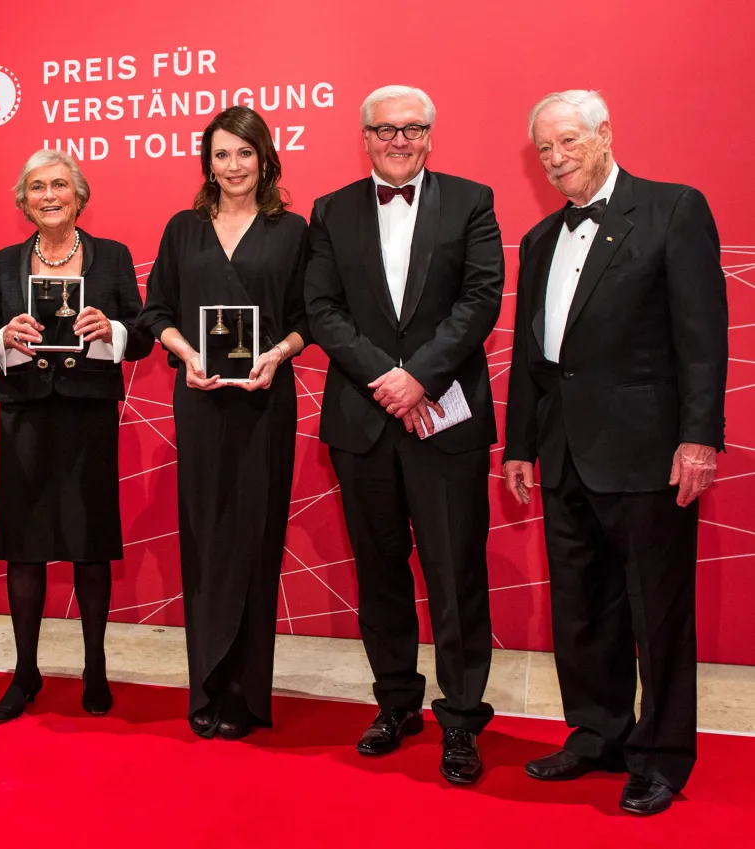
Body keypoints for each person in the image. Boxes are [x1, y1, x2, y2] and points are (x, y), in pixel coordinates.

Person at [504, 90, 727, 815]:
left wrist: (698, 437)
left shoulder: (673, 209)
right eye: (544, 149)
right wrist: (521, 446)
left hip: (649, 453)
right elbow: (534, 362)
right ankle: (597, 730)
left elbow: (701, 338)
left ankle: (661, 756)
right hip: (566, 453)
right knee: (582, 607)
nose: (556, 157)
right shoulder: (539, 240)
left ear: (604, 133)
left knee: (657, 611)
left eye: (567, 141)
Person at [304, 85, 503, 782]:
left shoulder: (472, 199)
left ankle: (462, 718)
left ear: (429, 135)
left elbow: (481, 297)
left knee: (455, 576)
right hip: (362, 422)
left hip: (444, 415)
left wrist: (417, 375)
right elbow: (321, 307)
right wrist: (384, 380)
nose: (397, 140)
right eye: (384, 130)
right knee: (380, 573)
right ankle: (396, 702)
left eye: (411, 129)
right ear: (364, 137)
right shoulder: (329, 210)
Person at [139, 106, 309, 740]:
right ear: (206, 163)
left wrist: (277, 355)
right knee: (206, 540)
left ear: (265, 158)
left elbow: (310, 317)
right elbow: (157, 310)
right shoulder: (183, 230)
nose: (232, 166)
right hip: (202, 400)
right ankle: (205, 687)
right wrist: (184, 355)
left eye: (244, 153)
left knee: (256, 539)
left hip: (265, 400)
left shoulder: (293, 232)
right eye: (220, 154)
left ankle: (245, 694)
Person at [0, 150, 152, 723]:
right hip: (24, 417)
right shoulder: (2, 262)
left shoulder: (112, 257)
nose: (49, 195)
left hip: (88, 416)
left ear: (79, 195)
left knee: (89, 546)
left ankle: (95, 669)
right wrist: (4, 337)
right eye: (36, 188)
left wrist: (112, 330)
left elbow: (143, 335)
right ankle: (25, 673)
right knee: (24, 551)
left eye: (59, 186)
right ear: (22, 201)